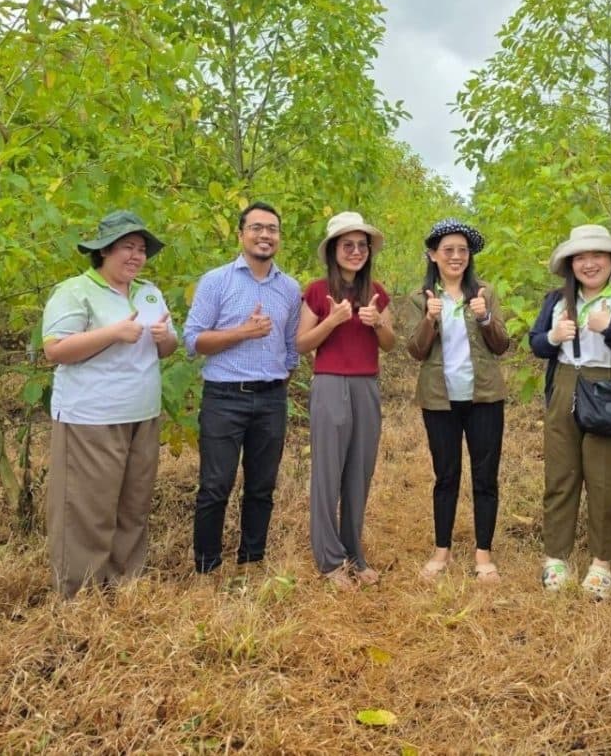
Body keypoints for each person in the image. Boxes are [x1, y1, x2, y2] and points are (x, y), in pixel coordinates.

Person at [41, 210, 178, 599]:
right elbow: (56, 350)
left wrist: (163, 335)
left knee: (133, 504)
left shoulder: (147, 291)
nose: (135, 256)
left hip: (142, 414)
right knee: (87, 508)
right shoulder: (75, 291)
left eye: (141, 249)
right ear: (103, 251)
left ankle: (124, 582)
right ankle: (79, 593)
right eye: (126, 247)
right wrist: (113, 332)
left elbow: (168, 348)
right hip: (91, 417)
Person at [528, 224, 611, 599]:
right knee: (560, 476)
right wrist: (552, 338)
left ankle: (601, 564)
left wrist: (610, 329)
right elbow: (535, 344)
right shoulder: (556, 299)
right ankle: (556, 558)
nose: (589, 263)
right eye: (580, 257)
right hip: (565, 387)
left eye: (596, 255)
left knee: (605, 481)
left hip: (609, 390)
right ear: (570, 264)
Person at [183, 202, 302, 575]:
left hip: (271, 398)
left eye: (272, 229)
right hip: (224, 397)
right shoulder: (216, 281)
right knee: (215, 486)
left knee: (261, 486)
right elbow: (192, 341)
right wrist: (242, 333)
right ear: (240, 234)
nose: (265, 235)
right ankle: (208, 566)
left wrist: (282, 375)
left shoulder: (289, 287)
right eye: (257, 228)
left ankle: (251, 561)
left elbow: (291, 345)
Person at [406, 219, 510, 583]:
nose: (455, 256)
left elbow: (501, 345)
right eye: (447, 250)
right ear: (433, 255)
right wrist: (429, 321)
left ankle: (484, 554)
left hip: (484, 397)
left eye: (462, 250)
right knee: (445, 476)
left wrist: (485, 317)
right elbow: (415, 351)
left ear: (469, 256)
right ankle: (441, 551)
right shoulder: (421, 299)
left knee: (485, 477)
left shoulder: (485, 292)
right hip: (440, 400)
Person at [296, 212, 394, 590]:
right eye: (347, 245)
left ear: (369, 251)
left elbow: (390, 343)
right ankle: (329, 559)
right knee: (328, 471)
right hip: (330, 383)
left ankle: (354, 552)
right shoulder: (318, 290)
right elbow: (302, 343)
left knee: (359, 471)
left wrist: (378, 323)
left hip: (366, 385)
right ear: (333, 250)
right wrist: (333, 321)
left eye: (361, 245)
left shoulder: (377, 292)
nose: (355, 251)